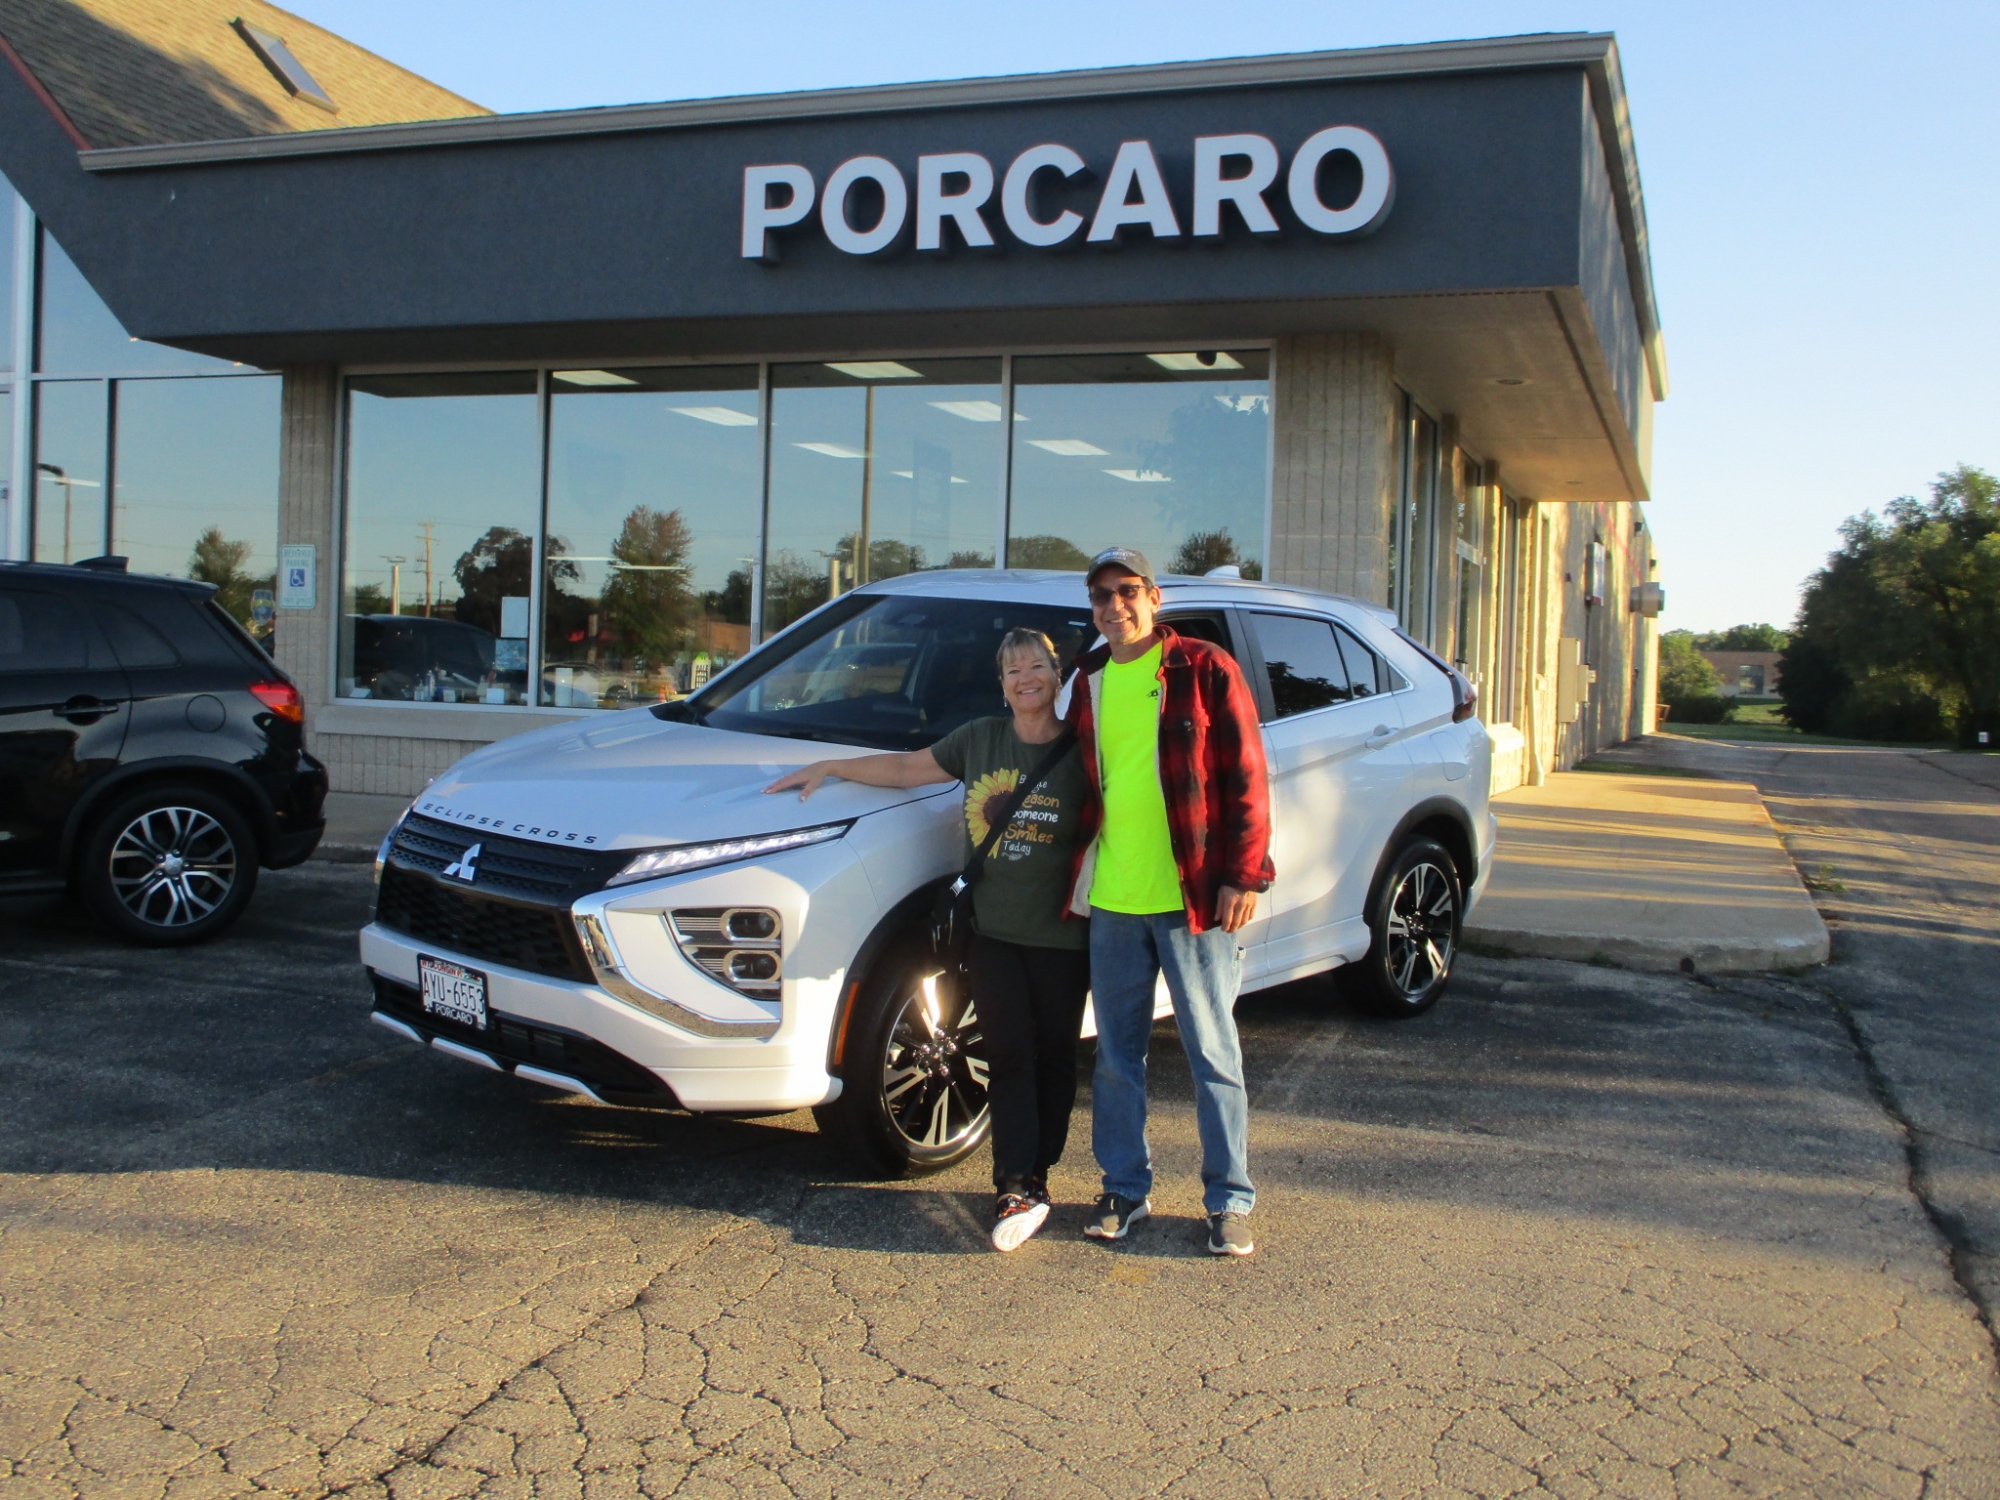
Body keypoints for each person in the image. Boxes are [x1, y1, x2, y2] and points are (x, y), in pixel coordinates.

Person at [763, 628, 1091, 1252]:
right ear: (1002, 685)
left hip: (1063, 936)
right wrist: (832, 767)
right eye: (1013, 670)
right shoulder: (980, 739)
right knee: (1009, 1056)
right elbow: (906, 768)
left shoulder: (1084, 750)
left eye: (1037, 667)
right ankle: (1015, 1184)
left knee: (1053, 1059)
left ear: (1057, 676)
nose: (1026, 678)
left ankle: (1039, 1170)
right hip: (992, 932)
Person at [1064, 547, 1273, 1257]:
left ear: (1154, 597)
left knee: (1212, 1051)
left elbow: (1246, 776)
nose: (1113, 606)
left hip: (1193, 898)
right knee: (1116, 1059)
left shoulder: (1203, 668)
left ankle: (1229, 1200)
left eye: (1127, 591)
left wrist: (1244, 875)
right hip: (1114, 900)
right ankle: (1124, 1189)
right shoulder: (1088, 679)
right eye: (1101, 596)